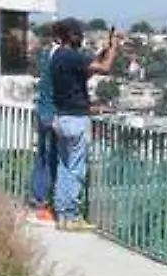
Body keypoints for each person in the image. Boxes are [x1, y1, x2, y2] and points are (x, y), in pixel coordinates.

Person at [49, 22, 119, 231]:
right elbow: (104, 68)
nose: (81, 37)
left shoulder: (57, 57)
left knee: (64, 166)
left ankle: (62, 214)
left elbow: (86, 71)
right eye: (78, 34)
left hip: (60, 117)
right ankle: (72, 215)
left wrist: (103, 51)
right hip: (76, 118)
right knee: (76, 168)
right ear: (73, 37)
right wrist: (114, 48)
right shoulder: (73, 57)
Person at [28, 24, 65, 221]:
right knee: (53, 158)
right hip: (52, 113)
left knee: (42, 155)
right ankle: (46, 202)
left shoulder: (45, 54)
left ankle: (37, 198)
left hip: (42, 111)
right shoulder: (59, 56)